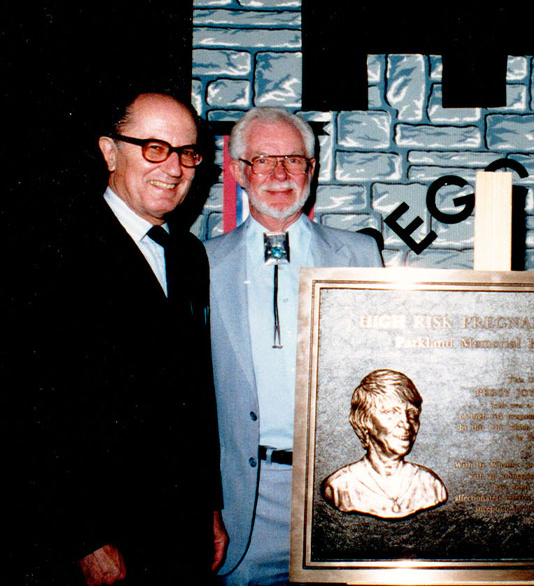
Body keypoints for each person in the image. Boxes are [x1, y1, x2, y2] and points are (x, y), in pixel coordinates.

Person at [36, 92, 227, 585]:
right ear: (109, 151)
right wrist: (80, 536)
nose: (175, 167)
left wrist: (208, 505)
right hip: (99, 539)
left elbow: (193, 395)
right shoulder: (52, 248)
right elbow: (31, 409)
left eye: (187, 152)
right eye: (154, 147)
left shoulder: (187, 255)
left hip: (181, 534)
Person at [208, 106, 382, 585]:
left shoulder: (361, 256)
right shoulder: (201, 264)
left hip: (337, 496)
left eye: (294, 159)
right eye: (263, 160)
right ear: (239, 171)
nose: (280, 173)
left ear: (313, 169)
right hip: (242, 503)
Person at [322, 369, 447, 519]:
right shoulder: (339, 487)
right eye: (391, 412)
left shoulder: (431, 485)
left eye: (412, 414)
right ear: (364, 421)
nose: (406, 424)